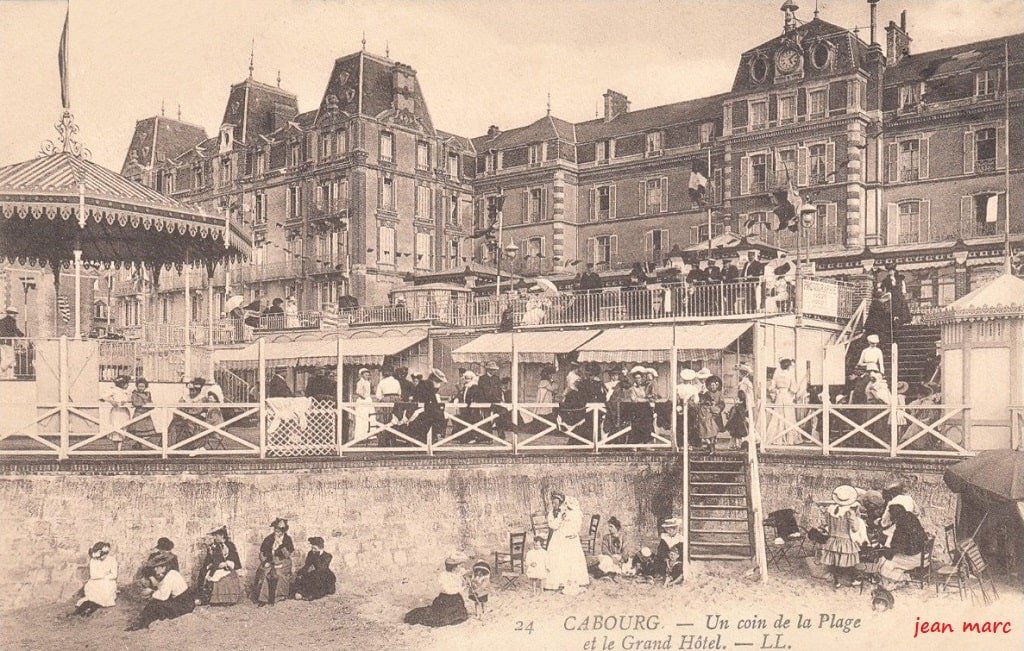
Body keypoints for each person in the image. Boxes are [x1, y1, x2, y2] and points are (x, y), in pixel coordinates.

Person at [127, 551, 194, 631]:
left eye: (157, 567)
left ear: (164, 567)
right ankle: (144, 622)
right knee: (157, 603)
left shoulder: (169, 577)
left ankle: (140, 624)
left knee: (154, 604)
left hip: (183, 605)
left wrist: (151, 592)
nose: (155, 569)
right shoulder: (172, 573)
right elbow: (162, 588)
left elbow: (163, 596)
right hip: (186, 601)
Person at [819, 485, 867, 589]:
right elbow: (854, 528)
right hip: (846, 539)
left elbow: (827, 524)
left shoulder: (831, 510)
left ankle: (836, 581)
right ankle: (854, 579)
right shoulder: (850, 512)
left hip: (833, 539)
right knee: (849, 561)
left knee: (835, 561)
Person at [404, 553, 470, 627]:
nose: (460, 568)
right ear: (454, 567)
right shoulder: (444, 576)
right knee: (439, 618)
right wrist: (461, 588)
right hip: (446, 599)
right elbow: (447, 590)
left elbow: (460, 585)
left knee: (460, 616)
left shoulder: (457, 575)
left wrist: (464, 583)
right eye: (459, 566)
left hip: (456, 600)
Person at [872, 504, 929, 588]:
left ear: (895, 517)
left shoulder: (901, 528)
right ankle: (898, 578)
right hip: (923, 554)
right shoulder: (910, 516)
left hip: (915, 558)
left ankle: (901, 579)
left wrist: (883, 550)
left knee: (885, 563)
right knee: (891, 559)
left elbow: (895, 548)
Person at [544, 495, 590, 595]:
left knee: (571, 558)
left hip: (568, 537)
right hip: (558, 537)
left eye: (556, 503)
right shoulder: (552, 513)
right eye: (553, 503)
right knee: (557, 557)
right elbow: (553, 526)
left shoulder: (571, 512)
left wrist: (573, 532)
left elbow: (576, 524)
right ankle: (557, 581)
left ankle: (573, 580)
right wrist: (560, 517)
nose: (554, 505)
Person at [196, 526, 243, 606]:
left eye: (216, 535)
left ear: (222, 535)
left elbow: (235, 558)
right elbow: (209, 560)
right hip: (215, 567)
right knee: (208, 575)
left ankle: (227, 599)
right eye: (214, 536)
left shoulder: (230, 545)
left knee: (227, 578)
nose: (215, 537)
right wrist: (213, 565)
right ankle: (206, 598)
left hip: (227, 568)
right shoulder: (213, 546)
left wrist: (228, 563)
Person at [254, 518, 295, 606]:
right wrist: (264, 561)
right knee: (266, 573)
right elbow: (261, 553)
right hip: (270, 560)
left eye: (279, 531)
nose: (277, 532)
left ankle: (278, 596)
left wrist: (281, 545)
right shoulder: (269, 538)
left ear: (283, 531)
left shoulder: (287, 539)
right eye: (276, 530)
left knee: (278, 574)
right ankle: (263, 599)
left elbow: (287, 555)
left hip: (284, 562)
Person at [74, 542, 117, 616]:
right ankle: (80, 610)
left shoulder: (112, 560)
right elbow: (93, 575)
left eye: (102, 556)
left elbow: (114, 575)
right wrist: (105, 574)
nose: (100, 558)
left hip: (107, 583)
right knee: (93, 596)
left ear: (106, 553)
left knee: (102, 598)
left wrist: (104, 577)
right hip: (95, 583)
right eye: (98, 557)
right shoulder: (94, 560)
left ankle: (89, 610)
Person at [766, 359, 799, 445]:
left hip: (779, 396)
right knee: (789, 415)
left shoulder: (776, 375)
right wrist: (790, 392)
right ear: (788, 366)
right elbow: (794, 388)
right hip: (787, 396)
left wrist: (777, 391)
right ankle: (790, 438)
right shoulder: (790, 375)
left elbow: (771, 388)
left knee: (778, 415)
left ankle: (777, 438)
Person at [410, 369, 448, 443]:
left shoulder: (424, 383)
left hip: (423, 406)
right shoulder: (428, 384)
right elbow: (431, 397)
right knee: (436, 418)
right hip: (423, 407)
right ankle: (436, 436)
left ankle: (433, 437)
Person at [293, 537, 336, 601]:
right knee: (301, 577)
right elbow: (307, 565)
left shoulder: (327, 556)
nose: (312, 550)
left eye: (315, 548)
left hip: (324, 575)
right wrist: (301, 572)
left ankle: (312, 595)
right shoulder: (311, 553)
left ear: (320, 548)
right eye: (312, 548)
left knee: (317, 581)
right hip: (314, 573)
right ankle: (301, 593)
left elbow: (321, 568)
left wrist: (316, 555)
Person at [726, 363, 754, 448]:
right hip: (746, 404)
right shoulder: (746, 382)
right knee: (740, 423)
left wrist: (739, 402)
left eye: (740, 373)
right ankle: (737, 442)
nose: (739, 375)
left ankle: (743, 441)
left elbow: (743, 395)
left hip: (744, 405)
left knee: (741, 423)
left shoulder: (744, 383)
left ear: (744, 374)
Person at [101, 375, 132, 449]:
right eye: (126, 383)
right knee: (116, 428)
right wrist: (111, 401)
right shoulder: (114, 390)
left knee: (123, 428)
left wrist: (127, 402)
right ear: (122, 383)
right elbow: (103, 396)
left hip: (124, 412)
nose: (127, 385)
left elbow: (130, 400)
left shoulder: (127, 392)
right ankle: (116, 448)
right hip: (116, 412)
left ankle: (119, 449)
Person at [126, 377, 159, 446]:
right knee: (138, 432)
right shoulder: (135, 394)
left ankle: (139, 444)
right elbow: (135, 403)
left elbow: (151, 403)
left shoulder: (148, 394)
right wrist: (143, 404)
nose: (141, 388)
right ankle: (138, 444)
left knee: (148, 433)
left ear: (145, 387)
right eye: (139, 386)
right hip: (139, 414)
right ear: (137, 386)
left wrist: (150, 405)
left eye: (142, 386)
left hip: (146, 415)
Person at [697, 374, 726, 453]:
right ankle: (710, 445)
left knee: (715, 430)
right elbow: (703, 402)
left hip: (716, 414)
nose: (713, 387)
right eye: (711, 385)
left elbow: (722, 404)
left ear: (717, 386)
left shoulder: (720, 394)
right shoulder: (707, 394)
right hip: (709, 414)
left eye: (714, 385)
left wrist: (718, 408)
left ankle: (712, 444)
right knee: (709, 429)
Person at [676, 368, 702, 449]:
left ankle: (686, 443)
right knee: (683, 425)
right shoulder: (680, 387)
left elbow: (696, 400)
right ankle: (684, 444)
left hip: (688, 408)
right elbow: (696, 400)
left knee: (687, 425)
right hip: (683, 407)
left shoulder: (690, 388)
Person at [0, 306, 23, 378]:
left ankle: (6, 376)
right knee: (11, 358)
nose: (15, 315)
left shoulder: (2, 320)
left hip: (2, 342)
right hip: (8, 342)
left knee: (4, 358)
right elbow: (14, 330)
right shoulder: (11, 320)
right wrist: (21, 335)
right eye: (14, 313)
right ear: (11, 313)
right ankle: (2, 369)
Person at [352, 367, 374, 441]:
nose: (367, 376)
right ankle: (360, 436)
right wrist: (363, 397)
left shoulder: (368, 382)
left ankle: (370, 435)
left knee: (370, 417)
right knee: (362, 418)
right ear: (361, 375)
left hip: (368, 400)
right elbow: (358, 392)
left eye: (368, 375)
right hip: (362, 401)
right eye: (365, 375)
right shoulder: (360, 382)